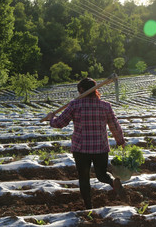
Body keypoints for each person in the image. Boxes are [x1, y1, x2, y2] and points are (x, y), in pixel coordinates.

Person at [45, 77, 126, 209]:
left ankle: (88, 207)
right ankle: (112, 182)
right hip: (100, 148)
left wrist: (51, 118)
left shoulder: (75, 105)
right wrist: (120, 141)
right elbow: (114, 125)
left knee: (84, 178)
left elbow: (60, 123)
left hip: (81, 149)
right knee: (101, 174)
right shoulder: (105, 106)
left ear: (82, 90)